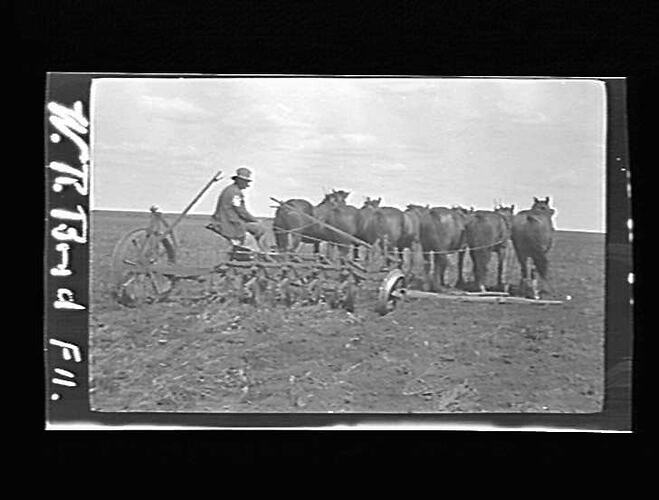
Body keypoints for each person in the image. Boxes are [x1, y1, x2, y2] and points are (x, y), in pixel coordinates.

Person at [209, 167, 265, 247]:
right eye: (246, 182)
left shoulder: (229, 189)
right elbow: (241, 211)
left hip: (224, 219)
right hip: (230, 222)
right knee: (260, 228)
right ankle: (258, 250)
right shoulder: (236, 193)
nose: (247, 185)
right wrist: (255, 220)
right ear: (240, 181)